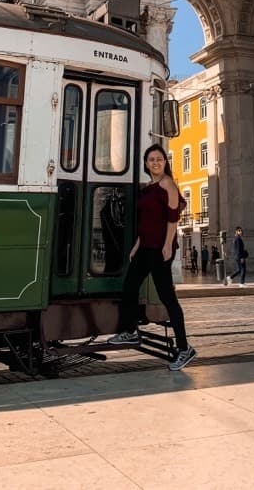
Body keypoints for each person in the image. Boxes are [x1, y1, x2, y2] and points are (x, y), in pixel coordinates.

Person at [107, 144, 196, 371]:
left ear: (165, 162)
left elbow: (172, 219)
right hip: (145, 247)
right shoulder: (148, 188)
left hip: (160, 249)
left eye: (159, 159)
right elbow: (145, 222)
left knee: (168, 298)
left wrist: (168, 245)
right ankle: (130, 331)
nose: (155, 162)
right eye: (151, 159)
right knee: (129, 287)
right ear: (146, 164)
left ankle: (184, 349)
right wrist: (137, 244)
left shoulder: (168, 185)